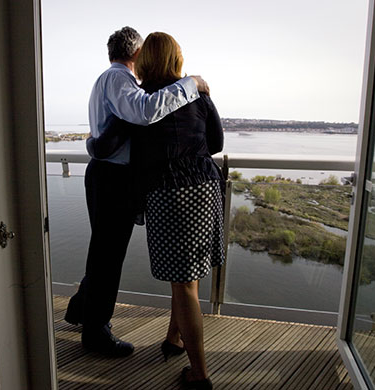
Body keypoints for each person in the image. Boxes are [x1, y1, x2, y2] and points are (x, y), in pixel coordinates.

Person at [64, 26, 210, 358]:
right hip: (113, 178)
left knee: (103, 250)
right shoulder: (118, 79)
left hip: (110, 176)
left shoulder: (113, 79)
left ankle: (81, 311)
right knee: (108, 255)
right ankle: (96, 332)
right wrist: (191, 84)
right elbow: (144, 112)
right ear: (136, 53)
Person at [129, 32, 224, 389]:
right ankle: (174, 338)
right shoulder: (198, 96)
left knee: (183, 282)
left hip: (170, 193)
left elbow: (137, 157)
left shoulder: (143, 102)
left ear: (145, 61)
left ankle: (199, 375)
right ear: (177, 59)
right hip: (204, 186)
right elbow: (215, 142)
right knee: (185, 278)